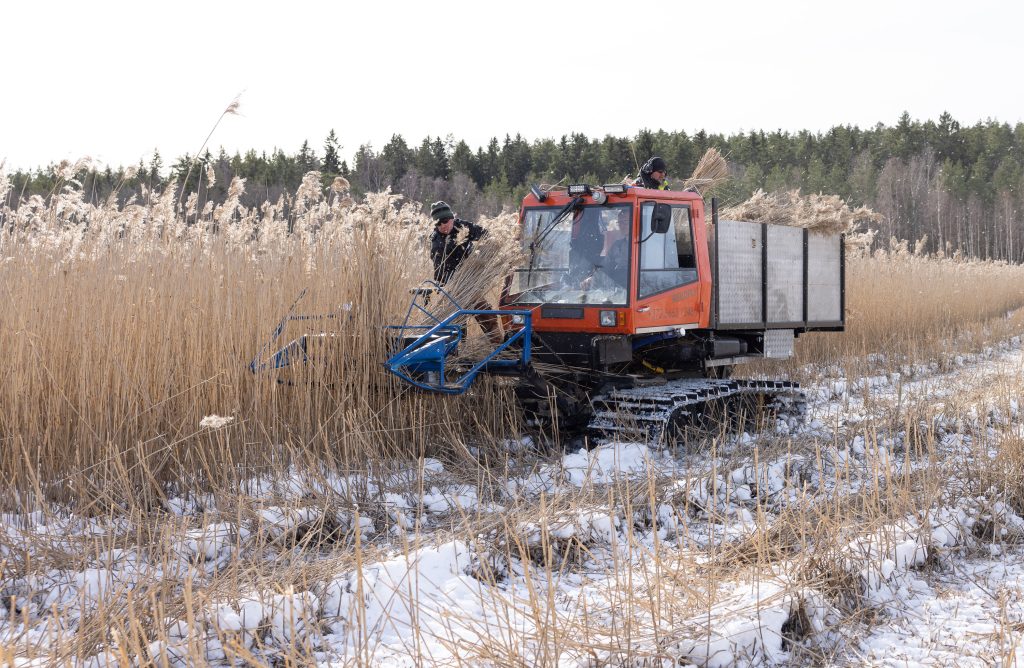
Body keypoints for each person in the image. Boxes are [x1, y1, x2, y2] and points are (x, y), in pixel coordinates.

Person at [428, 201, 501, 342]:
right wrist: (455, 284)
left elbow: (487, 236)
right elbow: (440, 273)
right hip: (451, 286)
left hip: (470, 282)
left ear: (451, 218)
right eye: (438, 223)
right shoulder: (436, 241)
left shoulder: (463, 227)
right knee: (457, 322)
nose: (442, 225)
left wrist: (479, 255)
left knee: (485, 312)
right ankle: (459, 351)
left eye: (445, 221)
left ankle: (498, 346)